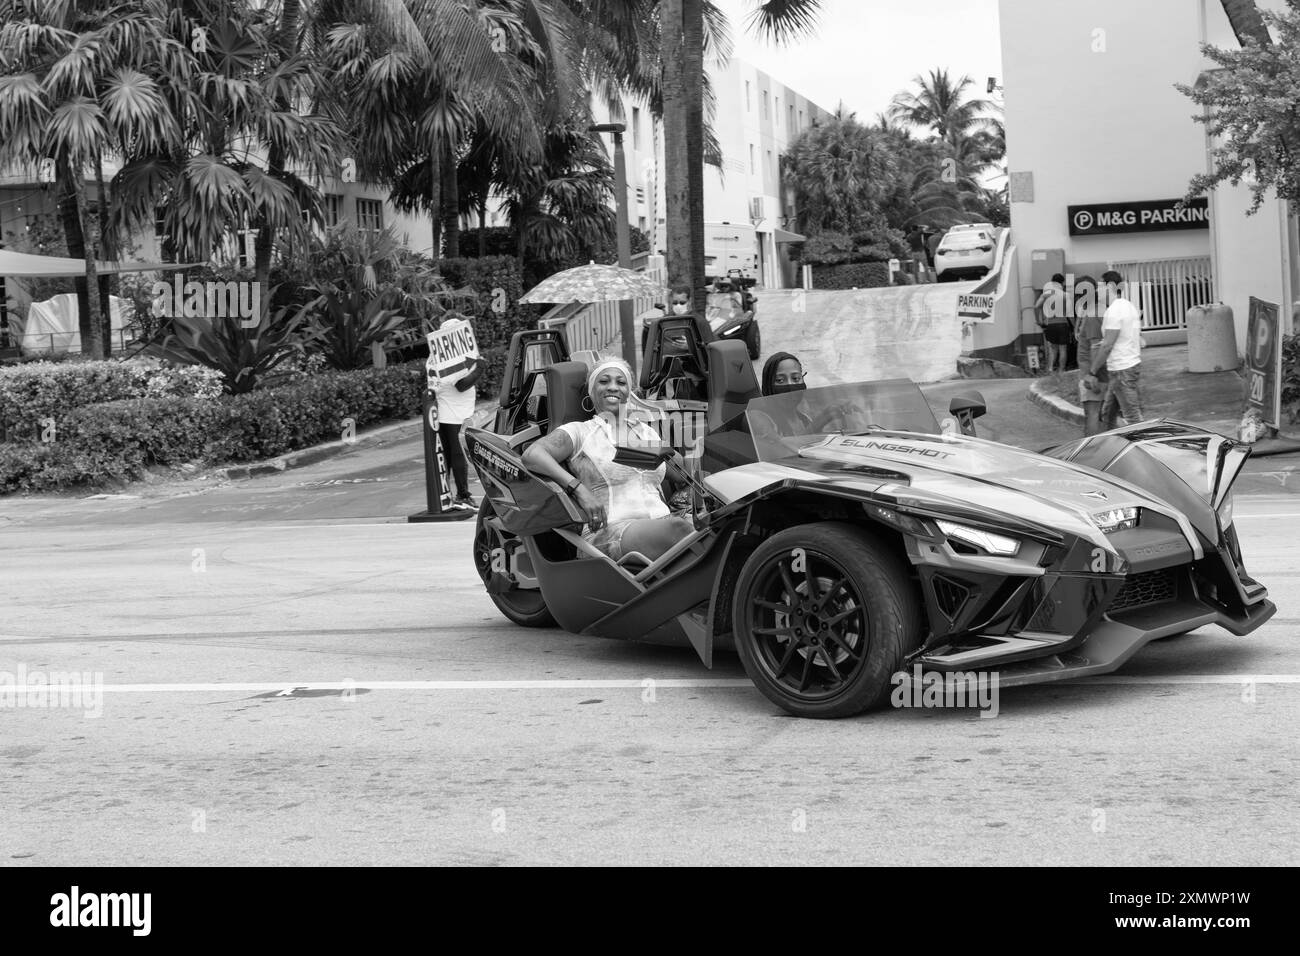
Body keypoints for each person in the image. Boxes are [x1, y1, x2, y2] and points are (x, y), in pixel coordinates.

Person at [521, 357, 695, 562]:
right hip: (607, 532)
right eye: (604, 381)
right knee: (680, 528)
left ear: (629, 392)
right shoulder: (580, 431)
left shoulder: (645, 432)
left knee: (718, 528)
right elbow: (532, 455)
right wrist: (578, 489)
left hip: (661, 524)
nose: (613, 387)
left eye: (621, 383)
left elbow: (683, 473)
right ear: (591, 390)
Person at [429, 324, 483, 511]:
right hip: (453, 414)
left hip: (448, 412)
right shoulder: (449, 361)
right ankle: (463, 495)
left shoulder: (436, 358)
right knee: (458, 454)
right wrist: (479, 369)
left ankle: (447, 496)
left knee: (448, 456)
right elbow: (461, 385)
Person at [1086, 270, 1144, 430]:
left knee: (1132, 418)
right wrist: (1104, 343)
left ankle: (1147, 449)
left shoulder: (1114, 311)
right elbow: (1128, 337)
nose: (1096, 291)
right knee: (1107, 415)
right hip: (1126, 367)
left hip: (1121, 370)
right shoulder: (1128, 306)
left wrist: (1092, 372)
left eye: (1099, 286)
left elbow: (1108, 346)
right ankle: (1108, 448)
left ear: (1110, 286)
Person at [1072, 275, 1105, 436]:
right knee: (1102, 416)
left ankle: (1090, 454)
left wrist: (1092, 374)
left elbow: (1096, 346)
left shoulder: (1093, 315)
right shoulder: (1096, 310)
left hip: (1092, 375)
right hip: (1095, 373)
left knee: (1092, 415)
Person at [1034, 272, 1070, 375]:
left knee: (1053, 349)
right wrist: (1074, 325)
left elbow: (1036, 306)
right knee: (1063, 349)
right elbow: (1069, 313)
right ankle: (1061, 371)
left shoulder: (1046, 294)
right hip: (1062, 323)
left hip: (1050, 324)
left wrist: (1039, 321)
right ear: (1062, 283)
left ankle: (1050, 369)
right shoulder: (1065, 295)